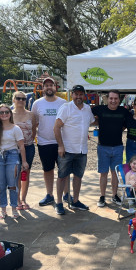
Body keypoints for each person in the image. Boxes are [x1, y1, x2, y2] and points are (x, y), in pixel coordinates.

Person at [53, 85, 95, 214]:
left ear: (84, 95)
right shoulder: (66, 108)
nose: (78, 96)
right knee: (62, 177)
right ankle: (59, 203)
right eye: (76, 94)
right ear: (72, 95)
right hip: (67, 150)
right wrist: (60, 145)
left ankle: (75, 200)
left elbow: (93, 122)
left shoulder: (87, 109)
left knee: (78, 177)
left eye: (81, 94)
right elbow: (56, 127)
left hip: (82, 150)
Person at [31, 77, 67, 207]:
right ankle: (49, 194)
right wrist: (31, 138)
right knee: (48, 169)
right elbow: (34, 122)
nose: (49, 87)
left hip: (61, 143)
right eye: (46, 85)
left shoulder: (63, 103)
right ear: (42, 88)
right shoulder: (37, 104)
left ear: (55, 87)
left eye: (51, 85)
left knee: (64, 170)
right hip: (44, 143)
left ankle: (66, 194)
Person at [92, 90, 129, 207]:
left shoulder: (124, 111)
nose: (113, 101)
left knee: (115, 173)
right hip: (103, 147)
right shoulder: (99, 109)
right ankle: (102, 197)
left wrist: (119, 130)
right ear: (107, 99)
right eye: (111, 98)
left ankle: (114, 195)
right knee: (103, 173)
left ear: (119, 100)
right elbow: (85, 112)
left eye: (116, 99)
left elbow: (128, 123)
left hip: (118, 147)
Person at [0, 105, 29, 219]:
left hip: (12, 156)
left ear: (10, 113)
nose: (4, 114)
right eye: (1, 112)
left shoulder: (15, 128)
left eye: (6, 112)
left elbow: (21, 146)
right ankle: (3, 209)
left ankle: (14, 207)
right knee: (1, 185)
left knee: (12, 185)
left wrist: (24, 161)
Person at [12, 91, 36, 210]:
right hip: (14, 148)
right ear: (14, 100)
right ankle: (16, 200)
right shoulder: (9, 114)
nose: (21, 100)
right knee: (16, 174)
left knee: (25, 173)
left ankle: (23, 199)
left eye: (23, 99)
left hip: (28, 147)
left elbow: (34, 130)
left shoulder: (31, 114)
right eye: (18, 98)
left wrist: (29, 141)